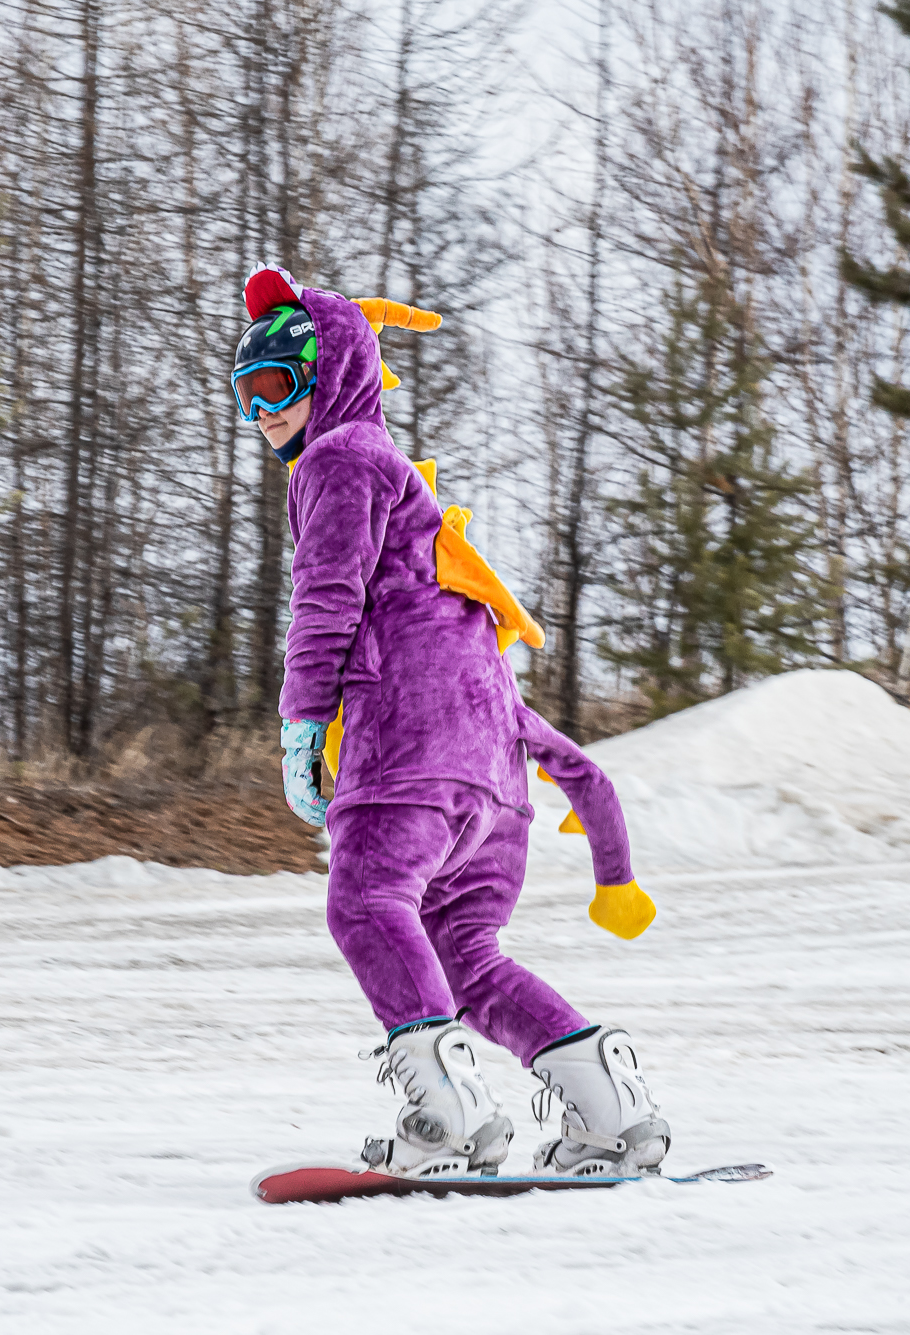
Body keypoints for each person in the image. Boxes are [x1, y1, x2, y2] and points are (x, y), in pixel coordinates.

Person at [232, 264, 670, 1179]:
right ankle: (609, 1111)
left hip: (406, 747)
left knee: (364, 903)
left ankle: (449, 1118)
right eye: (244, 394)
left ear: (328, 371)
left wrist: (303, 722)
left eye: (274, 385)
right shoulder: (400, 488)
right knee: (464, 957)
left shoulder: (340, 457)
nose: (260, 413)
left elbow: (326, 597)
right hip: (494, 774)